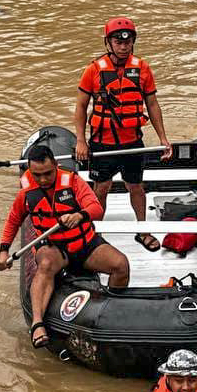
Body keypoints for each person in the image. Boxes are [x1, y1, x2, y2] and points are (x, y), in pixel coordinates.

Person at [0, 145, 130, 349]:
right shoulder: (26, 192)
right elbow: (13, 221)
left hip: (84, 244)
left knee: (120, 264)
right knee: (45, 264)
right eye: (37, 175)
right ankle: (37, 324)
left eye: (48, 173)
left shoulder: (73, 182)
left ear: (56, 166)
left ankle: (113, 311)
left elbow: (95, 207)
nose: (43, 179)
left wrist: (79, 215)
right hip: (54, 247)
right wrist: (3, 251)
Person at [74, 17, 173, 250]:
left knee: (136, 187)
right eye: (117, 41)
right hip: (102, 142)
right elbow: (80, 107)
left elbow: (153, 105)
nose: (123, 45)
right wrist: (80, 140)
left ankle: (143, 230)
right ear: (108, 43)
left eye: (127, 41)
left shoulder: (143, 68)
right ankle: (95, 233)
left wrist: (163, 138)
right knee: (101, 188)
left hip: (132, 142)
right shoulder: (93, 70)